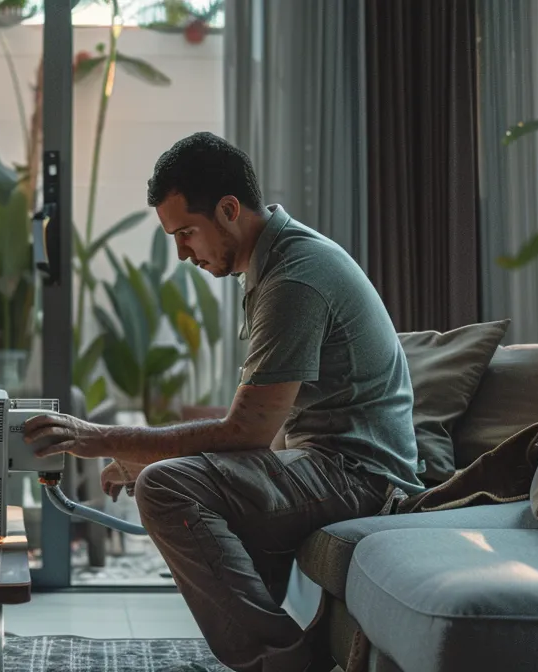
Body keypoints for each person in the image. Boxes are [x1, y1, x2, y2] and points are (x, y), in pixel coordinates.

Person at [23, 132, 422, 672]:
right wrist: (153, 455)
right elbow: (266, 430)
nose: (183, 252)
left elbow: (246, 433)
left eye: (186, 232)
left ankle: (281, 662)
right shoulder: (276, 264)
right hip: (331, 466)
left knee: (166, 486)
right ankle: (281, 652)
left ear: (229, 210)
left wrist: (100, 439)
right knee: (172, 477)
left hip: (361, 477)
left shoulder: (296, 278)